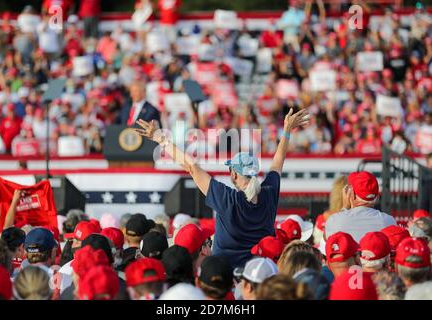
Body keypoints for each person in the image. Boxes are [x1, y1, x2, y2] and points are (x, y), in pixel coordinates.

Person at [135, 108, 309, 268]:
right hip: (257, 273)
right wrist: (286, 131)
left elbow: (191, 167)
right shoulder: (269, 194)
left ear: (233, 175)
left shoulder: (228, 199)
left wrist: (162, 140)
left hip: (224, 274)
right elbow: (278, 163)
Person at [325, 171, 397, 242]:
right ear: (377, 197)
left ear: (352, 194)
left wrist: (345, 209)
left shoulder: (335, 220)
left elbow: (326, 242)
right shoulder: (389, 222)